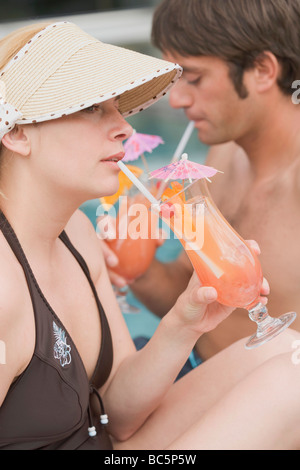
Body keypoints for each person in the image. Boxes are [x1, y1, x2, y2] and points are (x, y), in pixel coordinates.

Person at [0, 20, 299, 452]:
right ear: (17, 134)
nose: (125, 129)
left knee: (288, 351)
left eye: (118, 107)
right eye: (91, 108)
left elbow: (117, 416)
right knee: (292, 387)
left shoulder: (78, 235)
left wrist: (183, 323)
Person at [104, 0, 300, 366]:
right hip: (195, 373)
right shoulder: (224, 153)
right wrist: (138, 269)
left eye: (193, 79)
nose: (176, 99)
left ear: (262, 70)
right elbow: (192, 292)